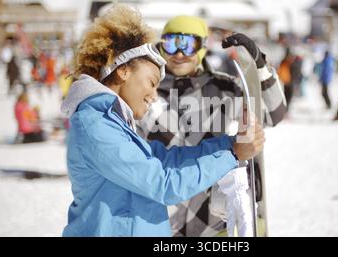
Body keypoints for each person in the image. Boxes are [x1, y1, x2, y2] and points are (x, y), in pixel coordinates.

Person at [60, 5, 265, 237]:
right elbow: (163, 184)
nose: (154, 95)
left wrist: (229, 144)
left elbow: (166, 158)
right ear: (124, 71)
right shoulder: (95, 126)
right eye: (151, 82)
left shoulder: (113, 123)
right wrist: (232, 155)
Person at [137, 15, 286, 236]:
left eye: (188, 44)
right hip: (160, 216)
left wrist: (260, 66)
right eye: (171, 43)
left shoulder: (224, 89)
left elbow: (274, 113)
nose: (179, 53)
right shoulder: (147, 91)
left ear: (203, 47)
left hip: (213, 219)